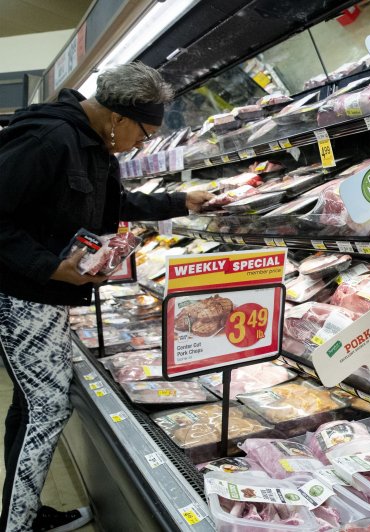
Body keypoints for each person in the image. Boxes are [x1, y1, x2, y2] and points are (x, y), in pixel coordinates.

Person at [0, 62, 212, 531]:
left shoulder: (96, 146)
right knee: (45, 407)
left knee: (31, 404)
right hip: (18, 299)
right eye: (143, 133)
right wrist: (51, 267)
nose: (142, 144)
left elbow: (115, 204)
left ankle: (24, 511)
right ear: (119, 117)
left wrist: (180, 202)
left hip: (48, 299)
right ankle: (17, 524)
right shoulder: (47, 140)